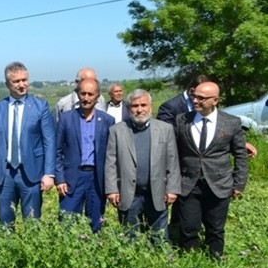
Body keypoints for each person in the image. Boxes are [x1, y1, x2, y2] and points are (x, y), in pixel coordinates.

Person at [174, 81, 248, 257]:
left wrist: (239, 183)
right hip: (189, 183)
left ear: (215, 100)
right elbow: (174, 152)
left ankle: (214, 261)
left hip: (219, 184)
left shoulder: (231, 123)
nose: (195, 101)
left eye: (201, 98)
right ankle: (190, 261)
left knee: (215, 228)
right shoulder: (182, 120)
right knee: (188, 227)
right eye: (194, 96)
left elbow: (240, 154)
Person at [0, 62, 55, 226]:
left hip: (31, 173)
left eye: (25, 80)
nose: (22, 85)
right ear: (7, 84)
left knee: (32, 223)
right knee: (4, 222)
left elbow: (49, 141)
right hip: (4, 173)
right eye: (17, 81)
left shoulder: (40, 106)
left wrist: (49, 173)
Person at [105, 89, 181, 243]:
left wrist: (172, 188)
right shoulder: (117, 130)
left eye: (143, 105)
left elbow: (172, 160)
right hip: (128, 192)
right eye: (134, 106)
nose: (139, 110)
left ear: (151, 106)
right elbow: (111, 162)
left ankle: (160, 263)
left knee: (159, 237)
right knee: (129, 237)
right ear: (128, 108)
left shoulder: (165, 129)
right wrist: (112, 189)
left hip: (157, 192)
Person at [55, 79, 115, 233]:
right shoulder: (66, 118)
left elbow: (112, 155)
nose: (86, 98)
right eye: (83, 93)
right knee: (67, 223)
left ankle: (94, 252)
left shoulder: (108, 121)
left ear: (97, 96)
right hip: (72, 178)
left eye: (90, 94)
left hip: (97, 178)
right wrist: (60, 178)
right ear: (78, 94)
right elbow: (57, 151)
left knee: (96, 223)